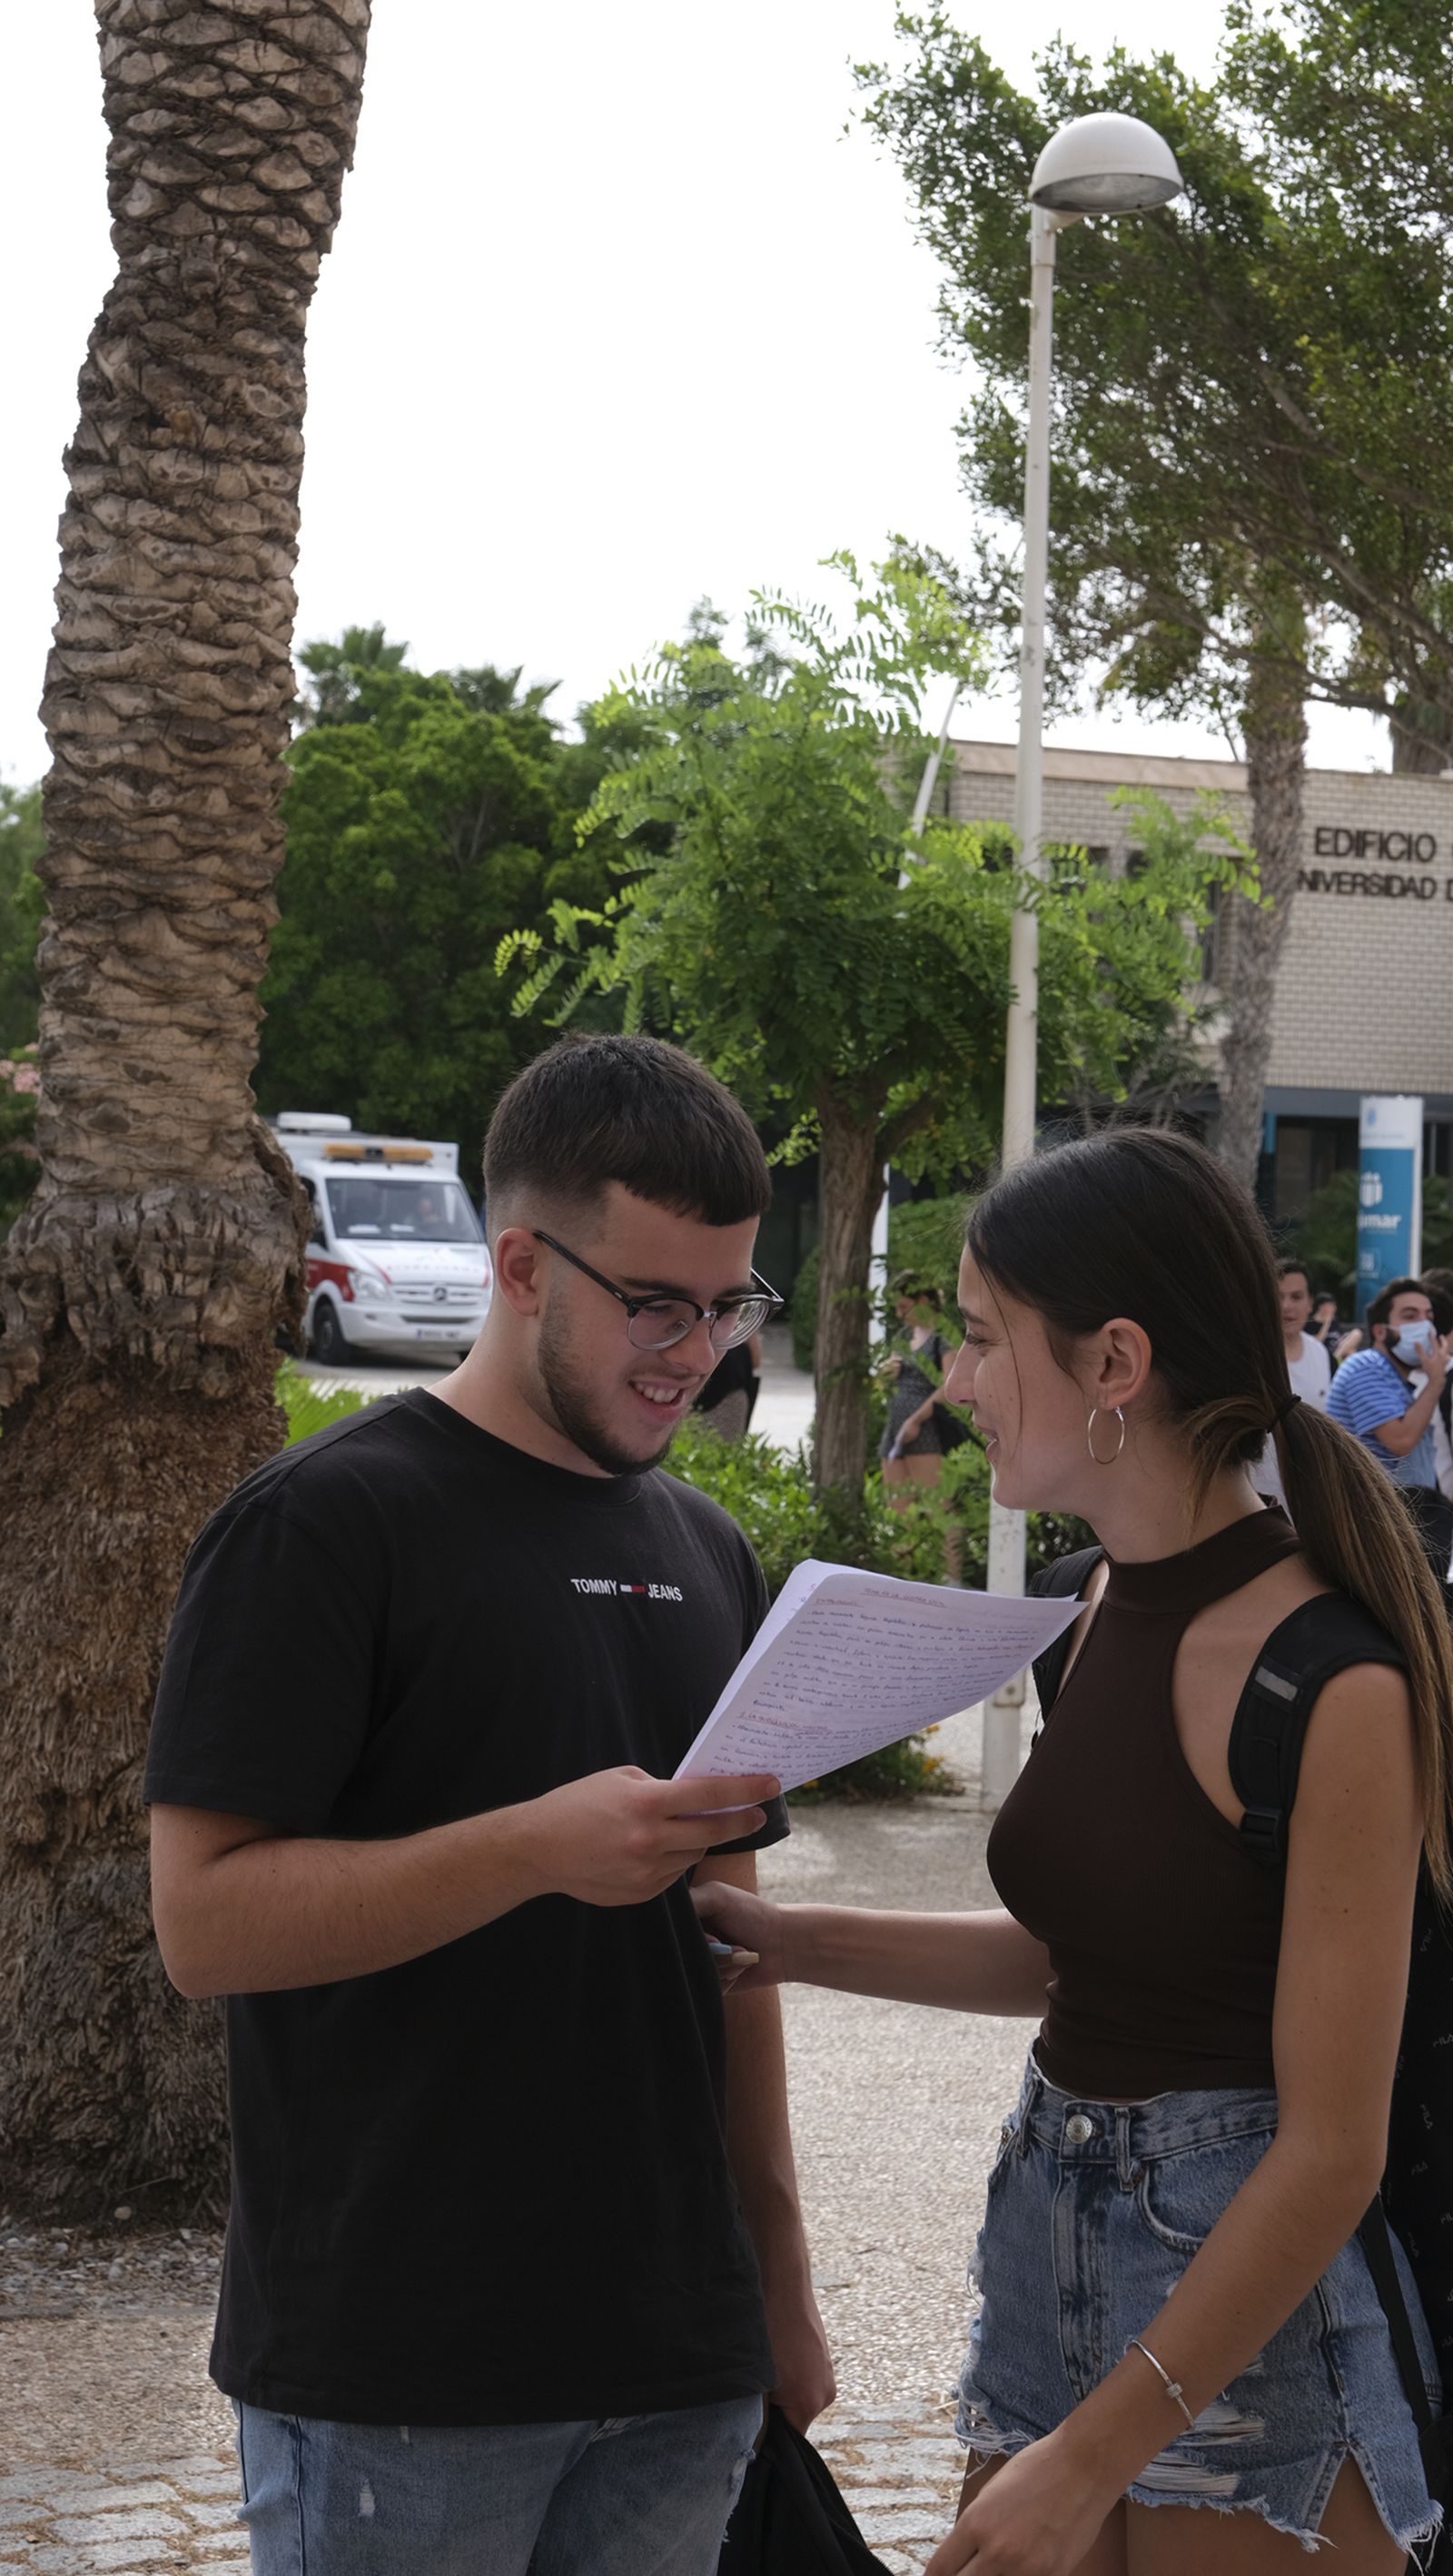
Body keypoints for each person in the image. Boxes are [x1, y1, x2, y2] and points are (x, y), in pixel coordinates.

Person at [697, 1128, 1449, 2574]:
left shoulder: (1333, 1682)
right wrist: (778, 1941)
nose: (958, 1383)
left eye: (983, 1340)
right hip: (1046, 2250)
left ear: (1115, 1364)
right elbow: (1088, 1961)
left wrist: (1088, 2460)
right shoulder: (1087, 1602)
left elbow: (1333, 2151)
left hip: (1249, 2314)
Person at [145, 1033, 834, 2576]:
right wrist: (533, 1849)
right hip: (404, 2368)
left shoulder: (710, 1549)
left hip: (679, 2356)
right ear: (521, 1262)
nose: (702, 1351)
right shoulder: (320, 1528)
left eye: (730, 1303)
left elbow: (733, 1941)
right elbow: (202, 1923)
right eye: (656, 1301)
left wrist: (777, 2269)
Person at [1327, 1276, 1453, 1574]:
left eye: (1429, 1317)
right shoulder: (1366, 1367)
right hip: (1374, 1523)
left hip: (1401, 1519)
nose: (1425, 1326)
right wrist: (1436, 1381)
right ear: (1381, 1331)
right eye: (1411, 1316)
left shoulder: (1397, 1381)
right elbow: (1400, 1439)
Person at [1251, 1258, 1331, 1506]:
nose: (1287, 1306)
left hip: (1310, 1489)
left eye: (1296, 1297)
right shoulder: (1252, 1354)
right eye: (1278, 1297)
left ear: (1310, 1303)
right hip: (1258, 1493)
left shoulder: (1320, 1353)